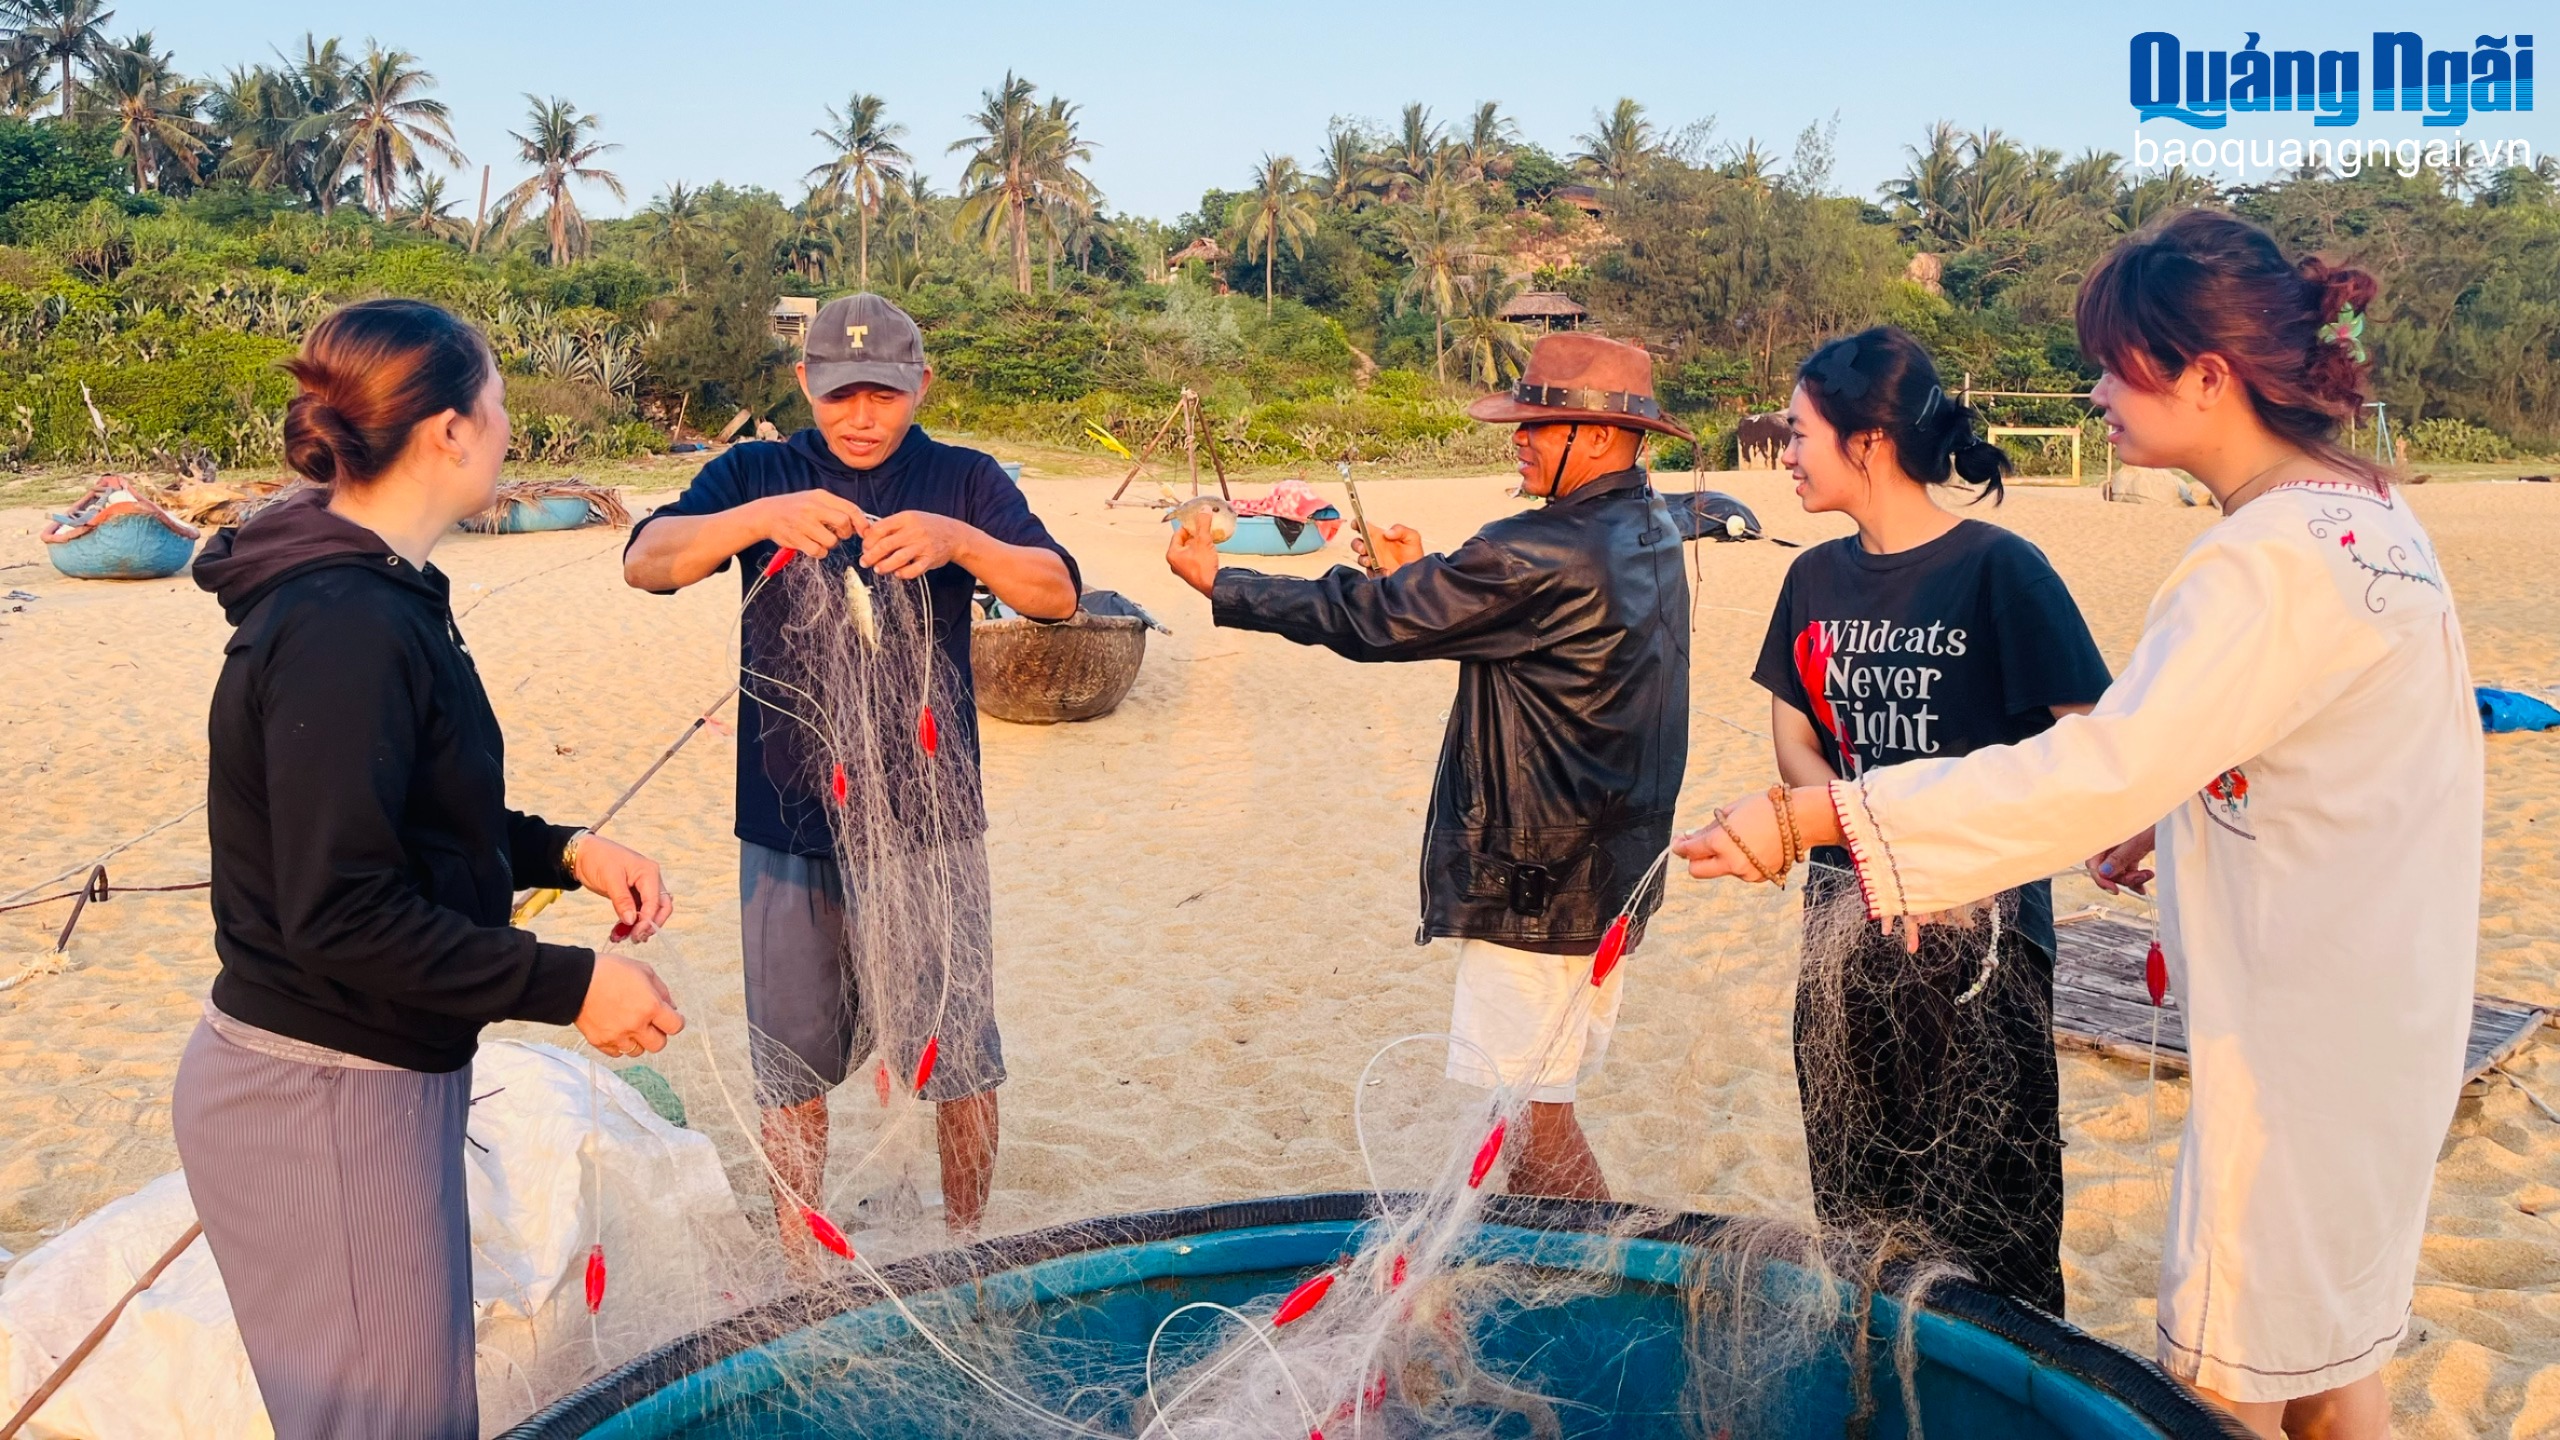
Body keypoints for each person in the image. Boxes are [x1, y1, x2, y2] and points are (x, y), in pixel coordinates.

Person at [1677, 212, 2479, 1440]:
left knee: (2213, 1393)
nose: (2095, 392)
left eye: (2115, 365)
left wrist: (1817, 816)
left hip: (2299, 1055)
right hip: (2387, 1015)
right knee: (2330, 1374)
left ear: (2204, 377)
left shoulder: (2262, 559)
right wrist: (2196, 800)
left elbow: (2092, 765)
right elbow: (2337, 743)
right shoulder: (2370, 521)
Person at [179, 299, 685, 1439]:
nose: (509, 429)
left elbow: (414, 817)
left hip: (373, 1070)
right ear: (450, 431)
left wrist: (567, 851)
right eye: (498, 405)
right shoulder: (343, 621)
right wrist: (572, 985)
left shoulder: (380, 588)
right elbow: (340, 911)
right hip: (321, 1090)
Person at [1166, 332, 1692, 1200]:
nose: (1518, 438)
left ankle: (1598, 1264)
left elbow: (1372, 621)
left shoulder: (1541, 545)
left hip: (1538, 875)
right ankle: (1552, 1256)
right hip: (1611, 867)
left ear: (1598, 435)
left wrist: (1225, 584)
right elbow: (1524, 621)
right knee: (1524, 1099)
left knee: (1529, 1113)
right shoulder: (1650, 527)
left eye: (1536, 424)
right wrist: (1423, 579)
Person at [623, 293, 1078, 1241]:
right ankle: (804, 1261)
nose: (862, 417)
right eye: (839, 395)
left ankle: (964, 1245)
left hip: (929, 824)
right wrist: (760, 519)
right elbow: (648, 561)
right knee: (789, 1065)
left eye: (884, 394)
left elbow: (1056, 592)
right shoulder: (757, 471)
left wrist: (961, 542)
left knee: (959, 1056)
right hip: (785, 820)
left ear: (922, 384)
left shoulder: (964, 478)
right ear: (804, 383)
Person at [1753, 326, 2112, 1314]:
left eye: (1799, 433)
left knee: (1994, 1227)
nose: (1785, 454)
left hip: (1981, 947)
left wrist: (1932, 866)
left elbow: (2089, 745)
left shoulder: (2000, 569)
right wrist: (1874, 858)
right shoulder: (1811, 578)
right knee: (1857, 1209)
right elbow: (1795, 743)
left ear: (1867, 441)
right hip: (1844, 932)